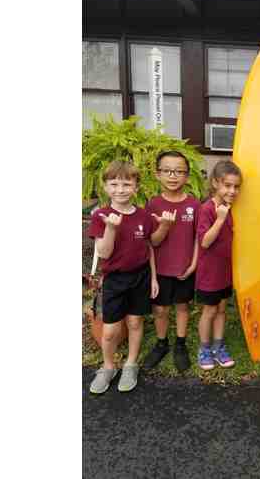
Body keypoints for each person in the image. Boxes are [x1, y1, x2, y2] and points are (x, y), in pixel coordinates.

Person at [88, 161, 159, 394]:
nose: (120, 189)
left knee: (135, 322)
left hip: (140, 277)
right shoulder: (101, 216)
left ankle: (130, 364)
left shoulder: (144, 216)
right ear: (105, 187)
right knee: (110, 331)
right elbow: (104, 253)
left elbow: (149, 248)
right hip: (115, 280)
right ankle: (108, 366)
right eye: (114, 184)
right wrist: (111, 228)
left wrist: (153, 278)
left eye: (127, 184)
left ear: (136, 187)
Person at [142, 151, 200, 373]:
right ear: (158, 174)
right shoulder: (153, 205)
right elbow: (153, 242)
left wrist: (193, 264)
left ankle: (180, 344)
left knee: (183, 306)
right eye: (167, 171)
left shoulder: (194, 205)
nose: (173, 176)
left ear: (187, 175)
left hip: (185, 268)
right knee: (160, 310)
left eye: (179, 171)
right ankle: (161, 343)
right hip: (161, 269)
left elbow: (197, 238)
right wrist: (165, 226)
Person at [195, 160, 242, 370]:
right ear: (215, 183)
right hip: (209, 274)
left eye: (236, 186)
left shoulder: (230, 208)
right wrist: (220, 219)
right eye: (227, 185)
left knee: (222, 310)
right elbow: (205, 242)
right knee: (210, 311)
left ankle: (218, 346)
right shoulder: (207, 209)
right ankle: (204, 349)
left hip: (225, 272)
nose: (232, 191)